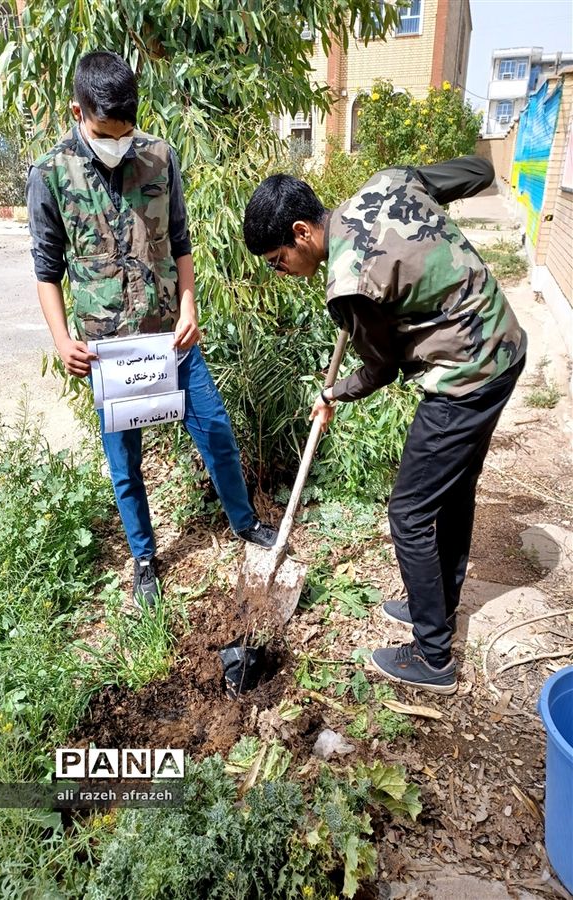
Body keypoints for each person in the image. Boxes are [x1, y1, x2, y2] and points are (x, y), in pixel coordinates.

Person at [243, 156, 526, 695]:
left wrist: (333, 392)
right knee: (454, 488)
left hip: (466, 373)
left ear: (302, 234)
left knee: (410, 510)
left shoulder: (349, 279)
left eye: (279, 260)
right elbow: (476, 173)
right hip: (504, 343)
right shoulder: (386, 183)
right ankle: (436, 604)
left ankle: (433, 655)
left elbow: (382, 367)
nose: (282, 272)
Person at [26, 50, 277, 609]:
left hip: (171, 338)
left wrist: (189, 306)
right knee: (125, 464)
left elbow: (181, 241)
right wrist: (61, 339)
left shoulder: (160, 157)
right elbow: (46, 267)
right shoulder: (49, 175)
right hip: (108, 351)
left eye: (125, 131)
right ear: (77, 112)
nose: (116, 144)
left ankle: (245, 524)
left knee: (215, 432)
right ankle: (144, 557)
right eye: (103, 133)